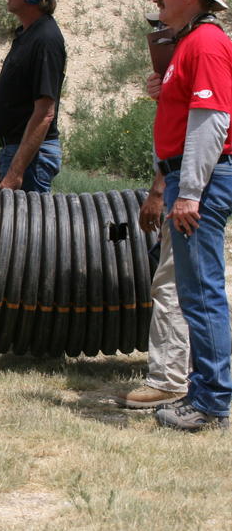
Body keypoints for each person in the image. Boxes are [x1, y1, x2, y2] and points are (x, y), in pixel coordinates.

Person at [143, 0, 232, 431]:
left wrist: (190, 192)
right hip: (191, 177)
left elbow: (212, 119)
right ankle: (205, 396)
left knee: (202, 293)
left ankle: (213, 404)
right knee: (197, 293)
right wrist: (164, 92)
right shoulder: (191, 44)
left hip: (203, 179)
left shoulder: (205, 43)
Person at [115, 172, 190, 408]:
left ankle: (169, 383)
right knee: (197, 287)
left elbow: (182, 149)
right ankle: (197, 372)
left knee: (171, 287)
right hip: (195, 192)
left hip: (186, 195)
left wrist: (159, 193)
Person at [0, 0, 65, 193]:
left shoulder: (46, 39)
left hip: (33, 157)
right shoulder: (28, 34)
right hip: (19, 151)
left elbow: (44, 113)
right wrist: (7, 157)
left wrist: (15, 171)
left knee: (29, 227)